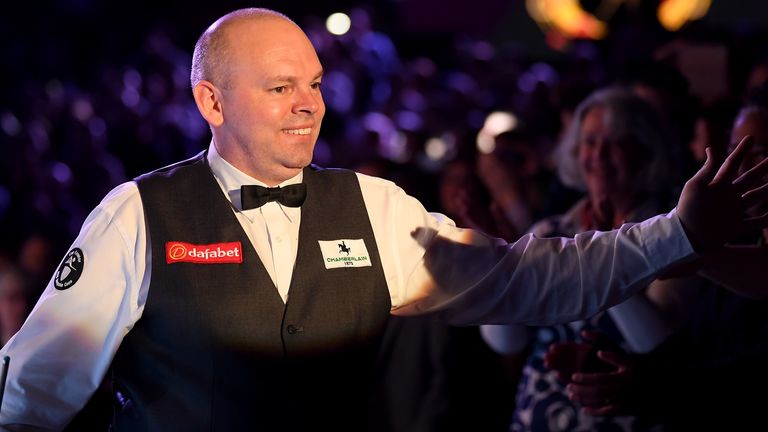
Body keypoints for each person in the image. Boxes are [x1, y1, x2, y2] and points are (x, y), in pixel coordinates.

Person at [0, 8, 766, 431]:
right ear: (211, 102)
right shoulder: (138, 215)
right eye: (279, 87)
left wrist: (677, 232)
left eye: (315, 83)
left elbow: (532, 280)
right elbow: (31, 399)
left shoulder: (373, 208)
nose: (309, 104)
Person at [480, 87, 705, 431]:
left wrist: (604, 256)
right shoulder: (551, 230)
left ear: (645, 151)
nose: (597, 154)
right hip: (537, 416)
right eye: (589, 141)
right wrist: (496, 268)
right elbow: (507, 342)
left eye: (614, 142)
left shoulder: (668, 235)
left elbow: (654, 339)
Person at [542, 94, 768, 431]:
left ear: (645, 151)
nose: (742, 164)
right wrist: (609, 364)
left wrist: (642, 385)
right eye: (736, 149)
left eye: (761, 153)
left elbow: (742, 377)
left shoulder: (667, 226)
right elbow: (695, 350)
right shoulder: (732, 238)